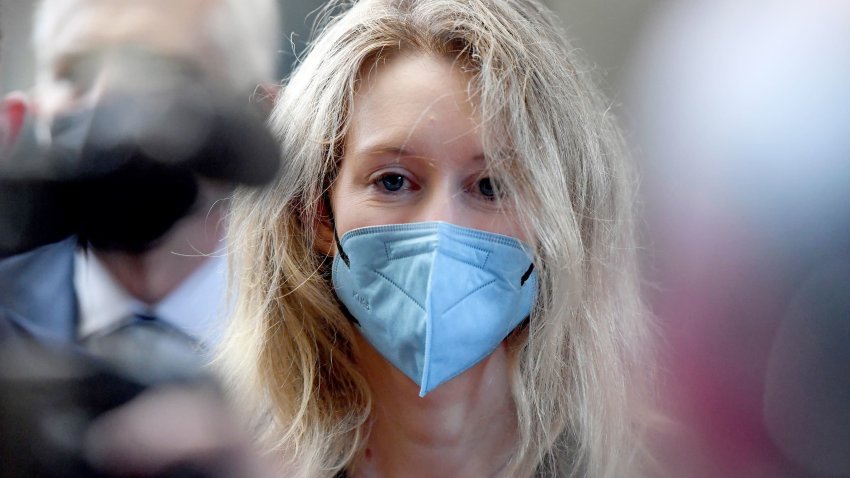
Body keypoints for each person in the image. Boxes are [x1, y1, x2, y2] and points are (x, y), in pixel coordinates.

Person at [219, 0, 655, 476]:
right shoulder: (226, 461)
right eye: (392, 181)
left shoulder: (652, 463)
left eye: (491, 186)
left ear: (559, 221)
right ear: (319, 214)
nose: (441, 227)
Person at [0, 0, 280, 355]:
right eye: (75, 74)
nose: (104, 98)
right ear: (28, 111)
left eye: (153, 70)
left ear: (259, 111)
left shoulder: (336, 330)